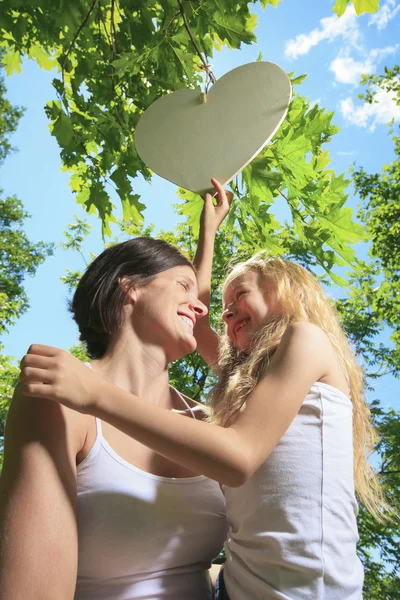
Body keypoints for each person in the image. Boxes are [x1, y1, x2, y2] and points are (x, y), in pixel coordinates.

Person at [18, 179, 388, 600]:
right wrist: (207, 233)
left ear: (283, 291)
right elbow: (195, 317)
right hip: (240, 588)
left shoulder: (305, 341)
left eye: (239, 300)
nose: (223, 317)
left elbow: (237, 456)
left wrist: (95, 394)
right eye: (224, 311)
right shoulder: (249, 380)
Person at [0, 207, 232, 599]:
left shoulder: (211, 422)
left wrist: (207, 233)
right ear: (130, 286)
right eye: (182, 286)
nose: (201, 306)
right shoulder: (59, 397)